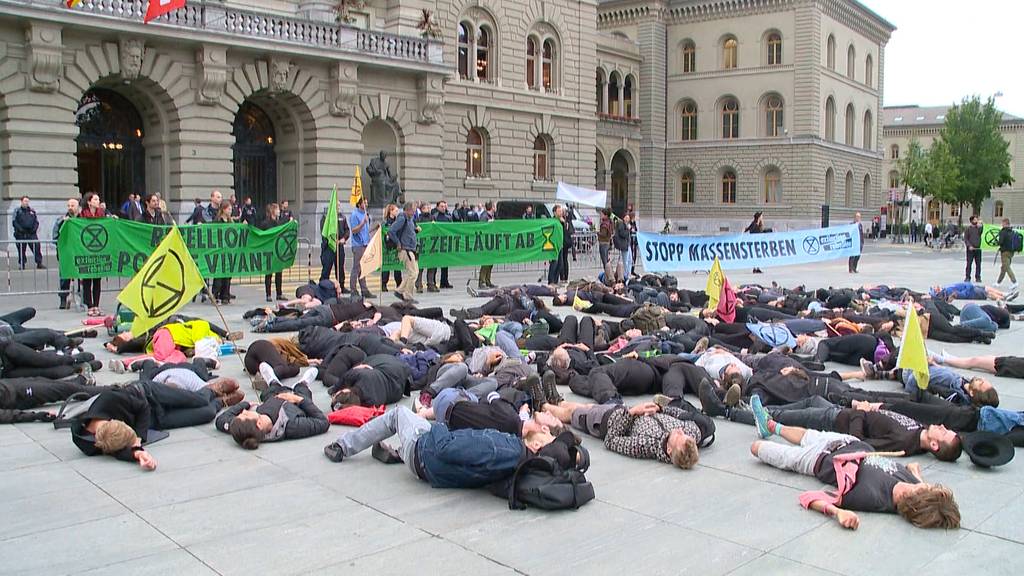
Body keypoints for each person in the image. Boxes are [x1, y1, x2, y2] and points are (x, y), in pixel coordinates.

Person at [749, 419, 960, 529]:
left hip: (818, 459)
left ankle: (763, 438)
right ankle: (771, 426)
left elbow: (812, 498)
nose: (927, 484)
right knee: (805, 434)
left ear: (916, 497)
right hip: (847, 442)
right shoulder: (912, 483)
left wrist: (838, 513)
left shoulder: (872, 498)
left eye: (928, 488)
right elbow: (914, 472)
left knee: (757, 447)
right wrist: (918, 478)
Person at [322, 406, 555, 491]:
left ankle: (342, 446)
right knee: (416, 425)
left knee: (398, 414)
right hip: (435, 469)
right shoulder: (516, 461)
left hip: (424, 454)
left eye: (547, 434)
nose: (545, 430)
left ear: (536, 445)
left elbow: (445, 448)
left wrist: (440, 426)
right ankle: (396, 452)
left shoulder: (502, 447)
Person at [217, 362, 328, 450]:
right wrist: (299, 400)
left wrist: (245, 404)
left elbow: (221, 420)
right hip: (295, 400)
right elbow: (322, 422)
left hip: (273, 398)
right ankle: (304, 382)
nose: (243, 412)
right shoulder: (290, 426)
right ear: (259, 424)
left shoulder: (241, 430)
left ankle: (273, 381)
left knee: (267, 393)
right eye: (245, 415)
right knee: (302, 389)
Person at [80, 192, 106, 317]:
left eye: (98, 199)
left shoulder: (102, 214)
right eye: (96, 199)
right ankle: (89, 305)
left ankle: (96, 305)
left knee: (97, 280)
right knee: (87, 281)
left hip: (98, 251)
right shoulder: (82, 215)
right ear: (89, 202)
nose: (98, 201)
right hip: (87, 251)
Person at [389, 201, 419, 303]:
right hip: (406, 249)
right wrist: (398, 243)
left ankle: (400, 290)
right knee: (413, 273)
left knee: (414, 272)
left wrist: (415, 230)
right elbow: (391, 231)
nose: (414, 212)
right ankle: (407, 296)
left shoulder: (410, 219)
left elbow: (408, 231)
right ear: (407, 210)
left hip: (411, 248)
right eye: (413, 210)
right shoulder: (402, 218)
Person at [319, 197, 350, 293]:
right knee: (327, 267)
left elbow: (347, 230)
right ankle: (323, 286)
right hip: (329, 247)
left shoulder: (342, 217)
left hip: (339, 246)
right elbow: (324, 232)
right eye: (337, 205)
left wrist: (344, 239)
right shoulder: (326, 218)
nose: (338, 207)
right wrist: (332, 240)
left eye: (339, 206)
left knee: (340, 267)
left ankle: (341, 286)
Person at [53, 197, 80, 309]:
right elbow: (55, 237)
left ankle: (81, 298)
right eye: (68, 206)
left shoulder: (82, 220)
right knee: (64, 276)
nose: (70, 208)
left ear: (77, 207)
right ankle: (63, 299)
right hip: (66, 253)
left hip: (79, 252)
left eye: (72, 206)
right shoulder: (61, 220)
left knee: (82, 275)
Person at [348, 196, 375, 299]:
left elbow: (366, 230)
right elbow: (354, 230)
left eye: (367, 203)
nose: (366, 205)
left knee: (363, 268)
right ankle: (353, 289)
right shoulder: (355, 215)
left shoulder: (365, 214)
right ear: (359, 204)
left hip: (365, 243)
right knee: (356, 268)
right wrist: (363, 223)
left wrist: (373, 229)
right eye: (364, 203)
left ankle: (364, 289)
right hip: (358, 245)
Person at [260, 203, 286, 302]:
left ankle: (279, 293)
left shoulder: (279, 223)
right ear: (273, 211)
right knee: (269, 274)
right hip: (269, 252)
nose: (279, 211)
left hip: (278, 251)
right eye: (277, 209)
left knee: (279, 273)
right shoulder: (265, 223)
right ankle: (268, 294)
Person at [210, 203, 234, 305]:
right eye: (229, 209)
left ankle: (225, 295)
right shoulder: (217, 221)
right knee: (219, 274)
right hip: (219, 252)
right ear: (223, 209)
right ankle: (215, 295)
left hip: (228, 251)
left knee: (227, 275)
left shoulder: (231, 221)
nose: (230, 211)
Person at [12, 196, 44, 270]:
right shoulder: (17, 211)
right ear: (21, 201)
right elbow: (14, 222)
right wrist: (20, 229)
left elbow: (36, 222)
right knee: (21, 250)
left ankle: (39, 263)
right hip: (21, 234)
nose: (26, 203)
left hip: (31, 233)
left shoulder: (32, 211)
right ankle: (22, 264)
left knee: (36, 247)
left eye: (27, 201)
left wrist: (34, 229)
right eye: (25, 201)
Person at [430, 200, 453, 290]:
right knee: (435, 264)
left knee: (445, 264)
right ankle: (433, 282)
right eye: (442, 206)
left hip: (445, 243)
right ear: (438, 207)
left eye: (444, 206)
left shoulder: (448, 217)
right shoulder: (434, 217)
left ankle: (444, 281)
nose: (443, 208)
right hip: (436, 243)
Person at [380, 203, 403, 292]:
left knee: (397, 267)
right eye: (396, 211)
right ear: (391, 211)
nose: (397, 212)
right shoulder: (385, 223)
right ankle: (384, 284)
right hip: (387, 246)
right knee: (386, 267)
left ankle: (399, 284)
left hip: (396, 247)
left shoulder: (398, 222)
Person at [477, 201, 496, 289]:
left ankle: (488, 280)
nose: (495, 207)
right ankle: (482, 282)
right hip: (485, 242)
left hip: (491, 242)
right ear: (492, 207)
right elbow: (481, 228)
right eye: (494, 206)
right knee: (485, 262)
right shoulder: (484, 216)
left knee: (490, 263)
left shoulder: (491, 216)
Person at [997, 218, 1018, 290]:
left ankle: (1014, 282)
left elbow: (1000, 242)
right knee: (1004, 267)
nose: (1001, 224)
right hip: (1011, 252)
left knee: (1007, 267)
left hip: (1005, 251)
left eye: (1002, 223)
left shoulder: (1003, 232)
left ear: (1005, 224)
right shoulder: (1011, 231)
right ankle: (998, 282)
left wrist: (997, 243)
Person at [614, 212, 633, 281]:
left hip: (628, 245)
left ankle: (629, 273)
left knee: (630, 260)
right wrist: (628, 229)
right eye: (626, 217)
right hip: (624, 245)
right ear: (623, 218)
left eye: (628, 218)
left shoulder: (627, 225)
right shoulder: (621, 224)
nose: (628, 219)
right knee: (625, 261)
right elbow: (623, 234)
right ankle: (625, 275)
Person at [964, 215, 982, 282]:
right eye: (975, 220)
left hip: (978, 248)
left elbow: (981, 231)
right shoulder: (968, 229)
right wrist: (969, 246)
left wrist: (981, 224)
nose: (976, 221)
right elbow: (966, 239)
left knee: (978, 264)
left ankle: (978, 277)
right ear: (971, 221)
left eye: (976, 220)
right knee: (969, 263)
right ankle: (967, 277)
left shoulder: (979, 228)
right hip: (970, 249)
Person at [598, 208, 613, 278]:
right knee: (606, 260)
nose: (601, 215)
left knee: (605, 261)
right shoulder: (610, 222)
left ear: (606, 215)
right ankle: (608, 275)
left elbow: (603, 234)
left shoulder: (604, 224)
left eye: (602, 214)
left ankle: (608, 276)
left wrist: (598, 233)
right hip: (607, 243)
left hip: (603, 243)